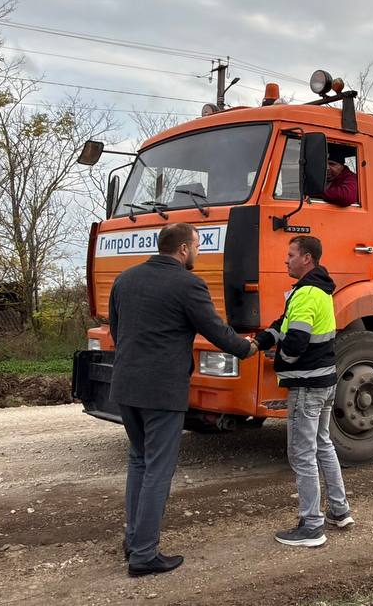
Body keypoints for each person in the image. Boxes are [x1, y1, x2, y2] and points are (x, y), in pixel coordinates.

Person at [109, 222, 257, 576]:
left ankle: (134, 539)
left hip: (126, 386)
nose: (199, 251)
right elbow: (215, 329)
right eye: (197, 245)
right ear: (183, 249)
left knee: (139, 462)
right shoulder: (188, 283)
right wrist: (246, 348)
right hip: (162, 390)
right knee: (158, 468)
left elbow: (117, 329)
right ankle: (144, 555)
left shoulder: (124, 280)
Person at [254, 235, 353, 547]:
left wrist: (278, 357)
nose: (286, 260)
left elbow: (295, 341)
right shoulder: (317, 290)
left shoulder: (306, 293)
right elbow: (283, 324)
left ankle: (311, 526)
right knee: (323, 445)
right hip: (324, 383)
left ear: (307, 258)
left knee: (302, 453)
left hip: (307, 386)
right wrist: (259, 341)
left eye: (291, 254)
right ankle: (339, 510)